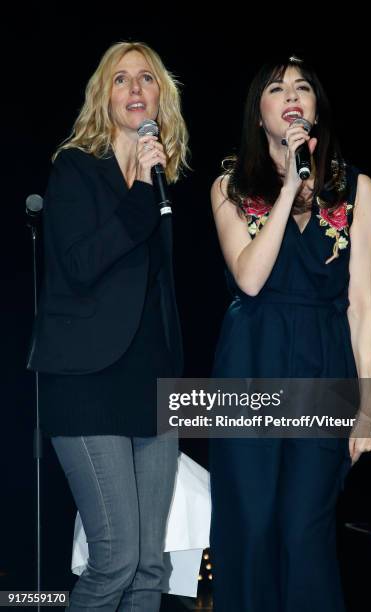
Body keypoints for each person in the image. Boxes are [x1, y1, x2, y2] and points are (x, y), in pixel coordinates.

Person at [209, 55, 371, 611]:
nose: (291, 95)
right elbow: (251, 279)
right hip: (249, 365)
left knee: (305, 531)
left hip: (324, 365)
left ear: (315, 108)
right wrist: (288, 185)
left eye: (302, 88)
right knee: (251, 526)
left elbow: (361, 303)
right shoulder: (230, 186)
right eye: (277, 89)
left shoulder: (359, 190)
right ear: (261, 116)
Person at [27, 41, 188, 611]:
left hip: (153, 382)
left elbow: (161, 290)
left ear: (160, 95)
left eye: (146, 78)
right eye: (121, 79)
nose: (135, 88)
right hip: (88, 381)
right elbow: (78, 264)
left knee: (149, 567)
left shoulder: (162, 179)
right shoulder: (73, 167)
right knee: (115, 557)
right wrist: (143, 190)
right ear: (105, 94)